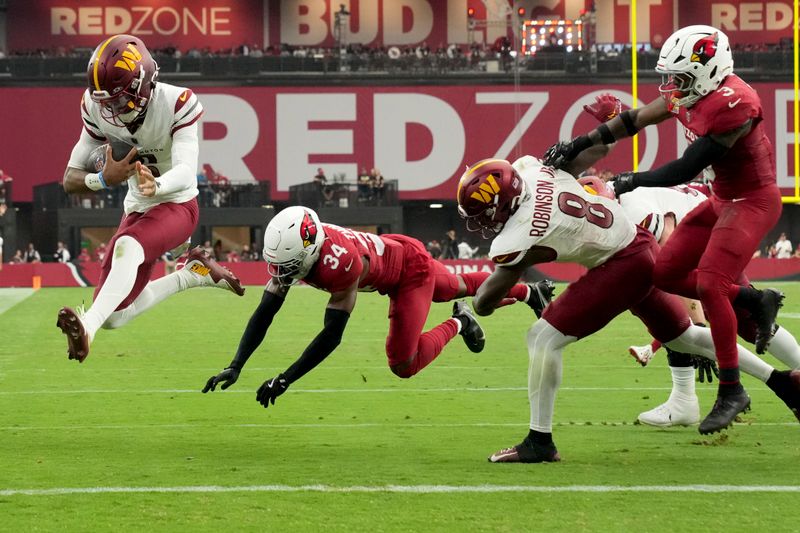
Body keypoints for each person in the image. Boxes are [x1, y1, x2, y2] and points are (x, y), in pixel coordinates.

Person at [456, 156, 800, 463]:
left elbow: (485, 304)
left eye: (483, 213)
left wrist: (482, 297)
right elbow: (582, 153)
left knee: (542, 338)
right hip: (639, 245)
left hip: (623, 263)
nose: (483, 223)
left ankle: (539, 440)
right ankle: (782, 382)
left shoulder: (520, 230)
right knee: (684, 338)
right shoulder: (533, 169)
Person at [542, 26, 784, 431]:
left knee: (709, 284)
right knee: (666, 273)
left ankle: (732, 390)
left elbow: (686, 167)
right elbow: (633, 120)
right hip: (722, 199)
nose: (672, 87)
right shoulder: (689, 91)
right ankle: (754, 299)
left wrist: (632, 179)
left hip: (752, 202)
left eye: (681, 78)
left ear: (709, 71)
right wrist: (578, 144)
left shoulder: (735, 104)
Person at [202, 206, 556, 406]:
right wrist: (236, 366)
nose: (280, 274)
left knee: (403, 362)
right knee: (458, 286)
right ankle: (530, 293)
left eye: (288, 265)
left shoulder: (339, 264)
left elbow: (331, 336)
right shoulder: (302, 247)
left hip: (407, 272)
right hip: (396, 251)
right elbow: (265, 312)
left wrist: (284, 379)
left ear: (309, 252)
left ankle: (461, 322)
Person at [56, 34, 245, 363]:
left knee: (126, 247)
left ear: (143, 82)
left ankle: (87, 327)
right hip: (139, 209)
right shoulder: (95, 106)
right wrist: (103, 179)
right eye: (107, 103)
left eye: (120, 100)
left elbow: (188, 171)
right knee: (115, 314)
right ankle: (191, 274)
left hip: (178, 204)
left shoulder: (177, 102)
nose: (112, 110)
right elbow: (70, 179)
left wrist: (157, 187)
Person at [581, 176, 800, 427]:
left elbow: (676, 263)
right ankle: (683, 400)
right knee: (669, 311)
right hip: (709, 227)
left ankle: (686, 399)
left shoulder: (635, 209)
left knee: (742, 321)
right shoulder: (624, 203)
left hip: (713, 233)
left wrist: (698, 323)